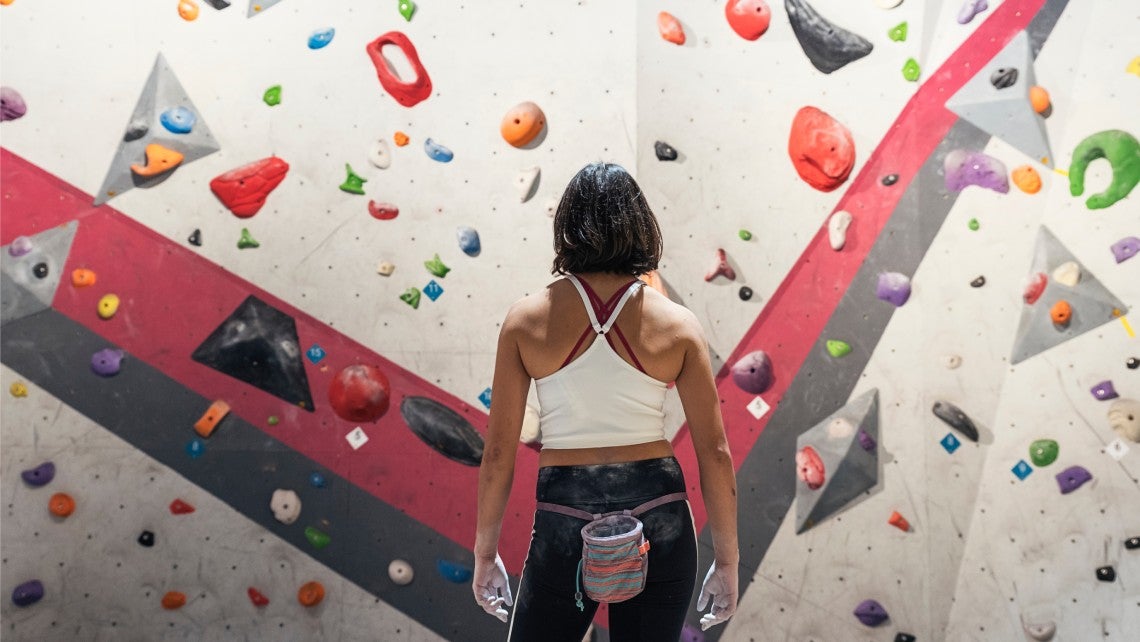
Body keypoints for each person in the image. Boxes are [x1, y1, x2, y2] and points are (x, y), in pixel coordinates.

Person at [473, 162, 739, 641]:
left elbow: (497, 453)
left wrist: (484, 554)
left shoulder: (525, 321)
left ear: (566, 229)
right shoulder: (678, 325)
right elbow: (715, 453)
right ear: (641, 226)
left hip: (564, 515)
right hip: (662, 514)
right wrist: (728, 562)